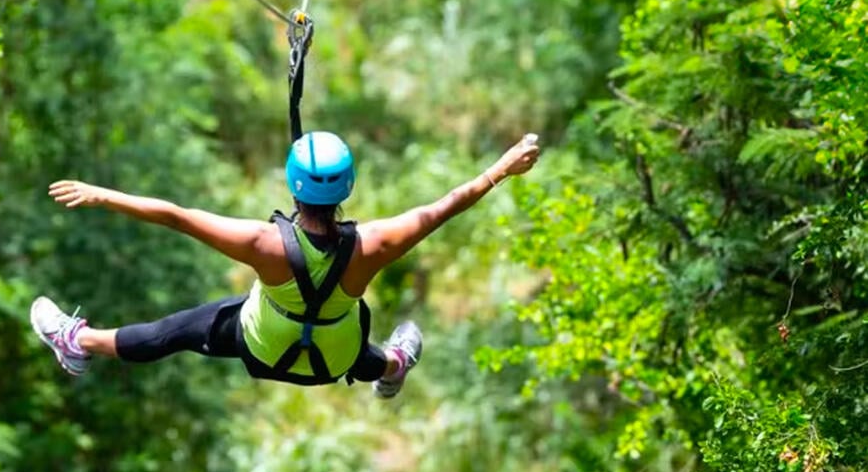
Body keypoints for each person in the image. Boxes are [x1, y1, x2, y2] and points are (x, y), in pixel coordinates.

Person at [30, 132, 540, 398]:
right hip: (334, 360)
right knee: (344, 335)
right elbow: (449, 203)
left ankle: (79, 344)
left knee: (179, 329)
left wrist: (104, 195)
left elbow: (177, 217)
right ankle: (392, 366)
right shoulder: (376, 245)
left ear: (292, 183)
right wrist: (503, 167)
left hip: (264, 348)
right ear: (348, 187)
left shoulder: (262, 244)